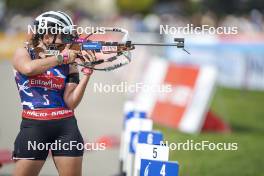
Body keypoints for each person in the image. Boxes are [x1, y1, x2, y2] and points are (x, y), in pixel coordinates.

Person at [12, 11, 94, 176]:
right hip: (33, 127)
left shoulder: (68, 61)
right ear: (47, 35)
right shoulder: (24, 52)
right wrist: (61, 58)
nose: (67, 40)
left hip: (66, 127)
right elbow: (28, 69)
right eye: (64, 35)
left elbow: (71, 102)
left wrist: (87, 74)